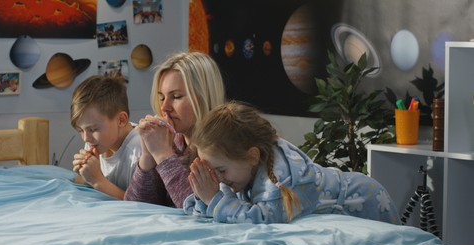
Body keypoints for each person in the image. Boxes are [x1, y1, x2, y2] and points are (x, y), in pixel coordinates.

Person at [184, 101, 400, 224]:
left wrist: (214, 199)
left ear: (252, 156)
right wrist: (205, 197)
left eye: (220, 170)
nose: (219, 179)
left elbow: (262, 220)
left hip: (365, 201)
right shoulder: (245, 168)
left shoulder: (282, 181)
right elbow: (224, 203)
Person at [124, 52, 226, 207]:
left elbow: (201, 209)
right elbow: (134, 206)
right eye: (162, 98)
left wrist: (163, 155)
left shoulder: (223, 149)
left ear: (205, 96)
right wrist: (147, 157)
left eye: (176, 96)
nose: (164, 107)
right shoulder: (173, 142)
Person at [71, 73, 141, 200]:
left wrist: (97, 180)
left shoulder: (139, 149)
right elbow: (81, 181)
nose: (86, 138)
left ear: (120, 120)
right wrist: (84, 173)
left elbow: (140, 203)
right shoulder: (95, 141)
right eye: (81, 130)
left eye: (93, 129)